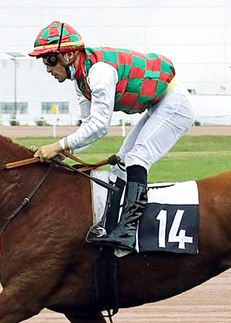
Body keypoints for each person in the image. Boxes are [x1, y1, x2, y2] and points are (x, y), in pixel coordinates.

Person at [30, 21, 196, 251]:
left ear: (67, 56)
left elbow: (100, 126)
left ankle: (129, 230)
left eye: (49, 60)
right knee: (120, 165)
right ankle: (109, 228)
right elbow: (88, 127)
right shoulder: (80, 81)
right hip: (157, 106)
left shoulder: (100, 72)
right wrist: (65, 152)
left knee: (137, 158)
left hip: (175, 104)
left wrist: (58, 145)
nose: (48, 69)